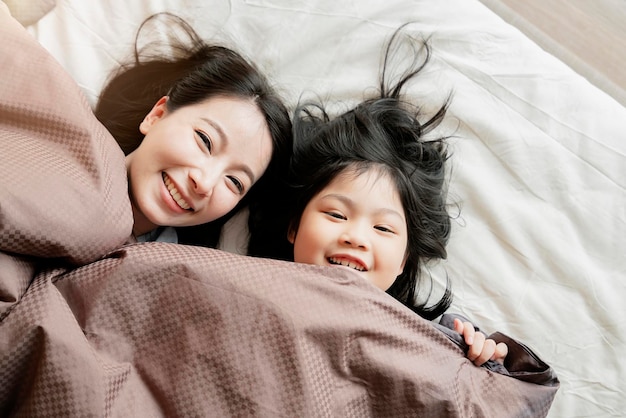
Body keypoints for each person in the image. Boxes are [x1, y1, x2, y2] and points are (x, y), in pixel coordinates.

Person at [251, 25, 507, 366]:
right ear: (294, 226)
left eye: (383, 229)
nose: (355, 237)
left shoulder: (427, 344)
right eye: (337, 215)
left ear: (403, 260)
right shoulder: (239, 286)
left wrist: (480, 362)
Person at [94, 13, 292, 247]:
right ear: (156, 116)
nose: (205, 183)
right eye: (205, 141)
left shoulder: (172, 270)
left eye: (235, 182)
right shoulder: (64, 145)